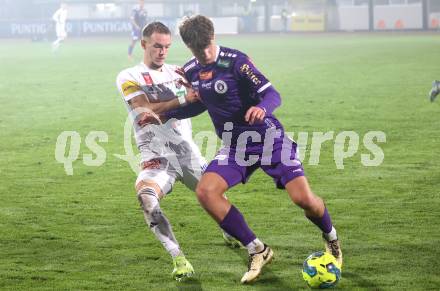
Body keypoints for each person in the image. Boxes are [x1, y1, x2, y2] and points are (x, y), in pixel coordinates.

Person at [161, 15, 343, 284]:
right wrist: (169, 112)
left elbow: (273, 94)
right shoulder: (191, 71)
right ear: (189, 47)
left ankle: (331, 239)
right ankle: (257, 249)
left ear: (213, 37)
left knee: (303, 199)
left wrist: (262, 108)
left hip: (268, 138)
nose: (206, 54)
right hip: (236, 146)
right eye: (200, 51)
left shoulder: (237, 61)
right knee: (206, 192)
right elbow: (202, 104)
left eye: (208, 47)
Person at [116, 21, 238, 281]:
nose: (162, 52)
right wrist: (183, 99)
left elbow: (208, 96)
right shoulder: (129, 76)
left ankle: (228, 230)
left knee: (218, 197)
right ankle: (178, 258)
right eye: (157, 46)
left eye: (167, 47)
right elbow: (143, 111)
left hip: (189, 154)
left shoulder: (181, 71)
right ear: (144, 44)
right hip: (156, 159)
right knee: (147, 200)